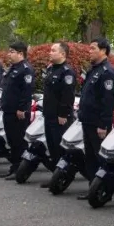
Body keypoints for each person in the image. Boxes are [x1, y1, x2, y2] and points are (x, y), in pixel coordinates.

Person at [76, 38, 114, 201]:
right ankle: (93, 188)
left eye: (93, 48)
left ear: (103, 51)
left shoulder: (107, 71)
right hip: (88, 120)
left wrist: (103, 124)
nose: (89, 51)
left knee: (102, 159)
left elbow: (108, 101)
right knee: (91, 158)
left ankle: (106, 191)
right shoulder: (94, 70)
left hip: (98, 123)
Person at [38, 41, 76, 188]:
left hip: (59, 117)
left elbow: (67, 96)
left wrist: (63, 114)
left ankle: (64, 177)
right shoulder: (51, 69)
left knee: (60, 148)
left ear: (63, 54)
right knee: (52, 147)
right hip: (49, 114)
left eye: (53, 50)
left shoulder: (67, 72)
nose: (50, 52)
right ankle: (55, 176)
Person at [0, 41, 35, 180]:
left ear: (21, 53)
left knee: (19, 141)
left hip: (17, 112)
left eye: (12, 52)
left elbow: (26, 92)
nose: (9, 54)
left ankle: (20, 169)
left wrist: (21, 108)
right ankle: (14, 167)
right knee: (12, 141)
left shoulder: (26, 69)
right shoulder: (13, 68)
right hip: (8, 110)